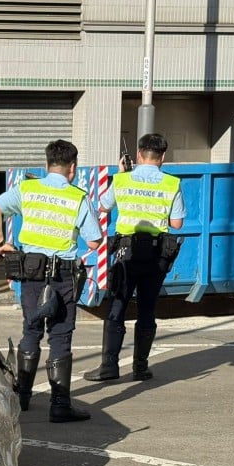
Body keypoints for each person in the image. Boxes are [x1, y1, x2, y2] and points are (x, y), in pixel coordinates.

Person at [0, 139, 103, 421]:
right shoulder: (77, 197)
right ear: (73, 168)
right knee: (60, 335)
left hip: (32, 271)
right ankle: (60, 406)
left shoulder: (28, 189)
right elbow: (94, 241)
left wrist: (1, 243)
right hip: (63, 274)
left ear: (47, 164)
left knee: (31, 330)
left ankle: (23, 398)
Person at [84, 132, 185, 383]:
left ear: (139, 154)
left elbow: (103, 206)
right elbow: (177, 223)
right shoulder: (172, 183)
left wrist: (121, 175)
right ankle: (140, 367)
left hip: (125, 254)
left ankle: (109, 366)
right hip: (156, 255)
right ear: (163, 156)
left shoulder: (122, 180)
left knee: (117, 306)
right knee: (147, 309)